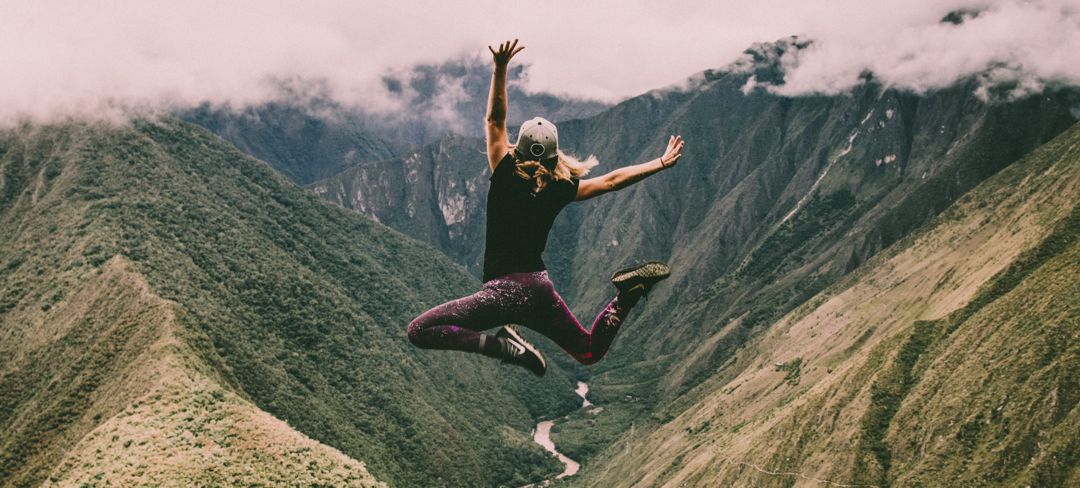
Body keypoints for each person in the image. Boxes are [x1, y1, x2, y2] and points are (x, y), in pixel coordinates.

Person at [407, 39, 685, 376]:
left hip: (502, 294)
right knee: (588, 351)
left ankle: (505, 347)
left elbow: (495, 120)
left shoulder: (505, 171)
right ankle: (626, 296)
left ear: (518, 148)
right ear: (555, 155)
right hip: (540, 290)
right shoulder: (560, 187)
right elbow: (611, 181)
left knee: (419, 331)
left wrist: (500, 67)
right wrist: (659, 162)